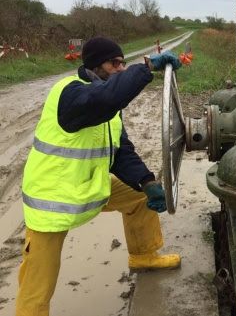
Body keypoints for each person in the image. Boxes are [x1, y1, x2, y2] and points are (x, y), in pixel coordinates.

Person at [16, 37, 187, 316]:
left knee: (137, 197)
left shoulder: (108, 108)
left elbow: (120, 153)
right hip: (51, 200)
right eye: (114, 63)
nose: (120, 68)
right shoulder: (71, 94)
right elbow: (107, 97)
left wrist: (147, 182)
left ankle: (143, 256)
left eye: (123, 62)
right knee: (38, 282)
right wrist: (146, 67)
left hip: (88, 185)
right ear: (96, 65)